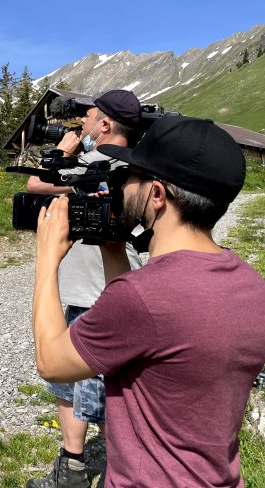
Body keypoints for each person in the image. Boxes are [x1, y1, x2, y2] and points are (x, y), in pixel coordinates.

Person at [32, 115, 265, 487]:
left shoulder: (143, 297)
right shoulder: (251, 284)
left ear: (156, 195)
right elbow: (150, 333)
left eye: (129, 177)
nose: (121, 187)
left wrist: (47, 260)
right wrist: (112, 249)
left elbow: (52, 363)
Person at [26, 90, 143, 488]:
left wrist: (62, 149)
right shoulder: (142, 169)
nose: (83, 127)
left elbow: (34, 184)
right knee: (83, 387)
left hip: (94, 296)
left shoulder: (97, 164)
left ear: (105, 125)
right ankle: (78, 466)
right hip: (101, 287)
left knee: (100, 394)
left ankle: (105, 473)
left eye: (88, 119)